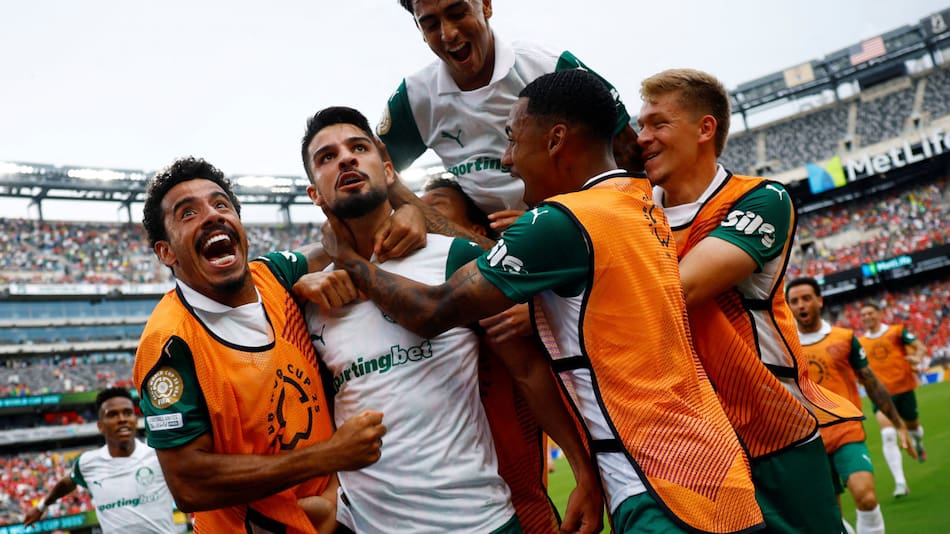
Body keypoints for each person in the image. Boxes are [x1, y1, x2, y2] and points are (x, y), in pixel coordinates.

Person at [321, 70, 764, 534]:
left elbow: (431, 311)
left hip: (661, 485)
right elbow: (496, 256)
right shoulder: (639, 200)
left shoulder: (564, 221)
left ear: (555, 140)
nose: (508, 159)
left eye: (513, 139)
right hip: (716, 469)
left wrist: (348, 258)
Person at [291, 106, 600, 533]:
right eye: (326, 157)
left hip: (479, 520)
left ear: (386, 169)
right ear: (315, 195)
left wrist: (583, 470)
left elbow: (527, 369)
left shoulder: (452, 259)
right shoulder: (310, 298)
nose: (345, 159)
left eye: (358, 148)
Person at [636, 67, 864, 532]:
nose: (642, 138)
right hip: (686, 442)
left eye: (658, 124)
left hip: (770, 430)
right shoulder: (632, 210)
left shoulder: (760, 199)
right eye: (641, 126)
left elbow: (679, 290)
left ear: (705, 128)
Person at [133, 156, 399, 533]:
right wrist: (330, 456)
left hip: (332, 516)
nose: (212, 216)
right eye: (188, 213)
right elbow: (189, 483)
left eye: (221, 204)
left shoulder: (272, 274)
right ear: (167, 252)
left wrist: (405, 215)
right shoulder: (169, 343)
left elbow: (340, 239)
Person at [380, 0, 641, 225]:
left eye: (458, 13)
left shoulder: (548, 65)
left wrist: (556, 219)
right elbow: (374, 175)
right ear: (419, 29)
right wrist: (409, 211)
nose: (448, 34)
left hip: (579, 227)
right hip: (489, 247)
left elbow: (629, 156)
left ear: (485, 4)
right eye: (431, 24)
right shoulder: (415, 97)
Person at [421, 176, 561, 531]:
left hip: (519, 505)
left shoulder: (516, 304)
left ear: (475, 228)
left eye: (432, 206)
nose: (416, 215)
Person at [787, 277, 916, 533]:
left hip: (846, 432)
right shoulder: (783, 346)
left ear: (819, 301)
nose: (801, 305)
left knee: (866, 498)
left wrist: (899, 424)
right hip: (808, 441)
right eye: (794, 301)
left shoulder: (844, 338)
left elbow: (871, 382)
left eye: (806, 298)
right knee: (831, 519)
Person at [22, 388, 176, 534]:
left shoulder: (158, 456)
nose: (122, 419)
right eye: (113, 415)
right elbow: (66, 483)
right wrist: (41, 507)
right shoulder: (87, 463)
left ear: (135, 420)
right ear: (100, 426)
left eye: (128, 413)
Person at [858, 301, 929, 495]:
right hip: (881, 395)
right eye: (863, 314)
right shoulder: (861, 343)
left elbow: (919, 347)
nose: (866, 317)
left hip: (904, 389)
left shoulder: (897, 331)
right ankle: (900, 483)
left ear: (879, 314)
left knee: (914, 427)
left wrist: (917, 357)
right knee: (888, 435)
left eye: (870, 313)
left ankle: (919, 444)